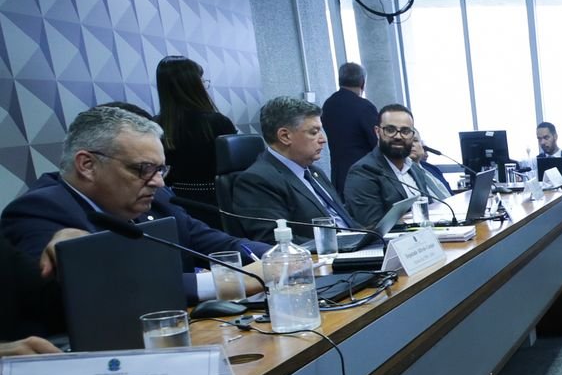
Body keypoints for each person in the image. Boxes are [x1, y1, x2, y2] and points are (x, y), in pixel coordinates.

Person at [1, 105, 268, 303]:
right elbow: (107, 290)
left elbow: (220, 244)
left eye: (160, 169)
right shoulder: (38, 211)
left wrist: (280, 256)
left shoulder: (156, 199)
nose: (158, 182)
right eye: (143, 169)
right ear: (87, 165)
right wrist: (232, 281)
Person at [231, 96, 352, 244]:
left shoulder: (314, 172)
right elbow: (274, 241)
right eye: (314, 132)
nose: (323, 139)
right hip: (325, 255)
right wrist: (338, 245)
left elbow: (347, 222)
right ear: (285, 136)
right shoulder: (257, 181)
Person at [154, 55, 237, 228]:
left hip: (176, 204)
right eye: (202, 81)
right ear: (194, 85)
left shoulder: (155, 126)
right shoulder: (217, 122)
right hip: (221, 205)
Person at [342, 104, 454, 229]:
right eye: (390, 130)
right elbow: (373, 227)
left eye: (405, 131)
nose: (398, 136)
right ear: (377, 132)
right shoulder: (363, 172)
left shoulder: (414, 168)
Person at [323, 62, 379, 196]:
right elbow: (377, 143)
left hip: (338, 175)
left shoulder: (328, 104)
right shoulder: (365, 107)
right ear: (362, 83)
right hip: (365, 174)